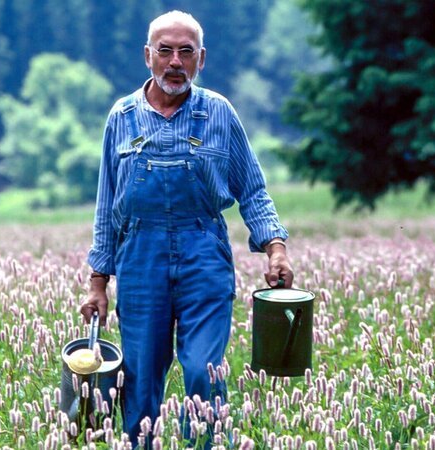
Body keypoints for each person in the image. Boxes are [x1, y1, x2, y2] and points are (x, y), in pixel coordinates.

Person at [80, 10, 293, 447]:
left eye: (185, 52)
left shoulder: (220, 113)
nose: (174, 61)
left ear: (201, 59)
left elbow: (252, 189)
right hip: (139, 257)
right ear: (147, 56)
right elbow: (107, 207)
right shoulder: (121, 117)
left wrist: (276, 248)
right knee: (138, 382)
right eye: (165, 50)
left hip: (204, 253)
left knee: (203, 372)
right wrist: (97, 281)